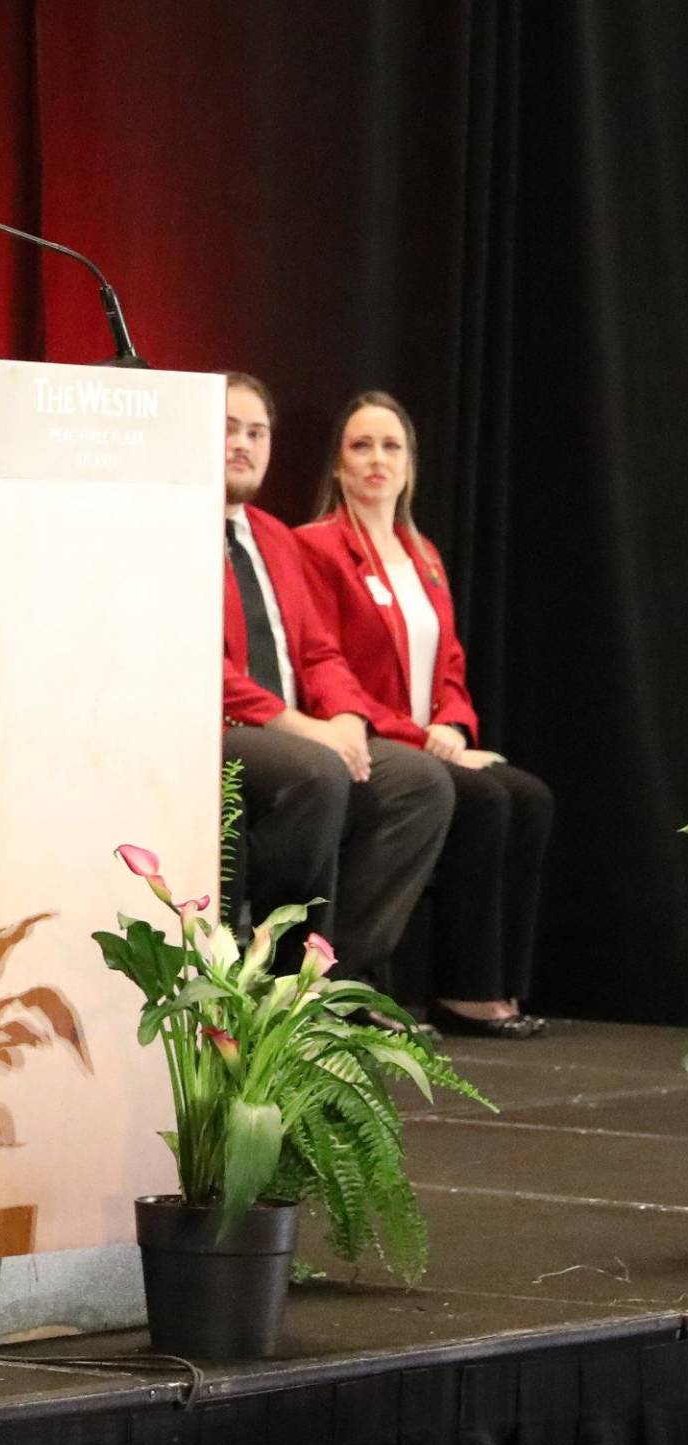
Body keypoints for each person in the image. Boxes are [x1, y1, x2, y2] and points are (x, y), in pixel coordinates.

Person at [296, 392, 554, 1038]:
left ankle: (487, 984)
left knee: (526, 798)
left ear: (410, 465)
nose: (377, 459)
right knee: (483, 800)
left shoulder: (424, 555)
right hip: (370, 742)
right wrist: (422, 738)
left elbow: (450, 662)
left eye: (391, 447)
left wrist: (455, 725)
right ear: (337, 466)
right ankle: (438, 988)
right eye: (361, 446)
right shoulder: (316, 548)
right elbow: (324, 669)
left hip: (430, 741)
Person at [219, 372, 453, 988]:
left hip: (299, 727)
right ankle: (276, 970)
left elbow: (320, 652)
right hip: (221, 726)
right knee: (316, 769)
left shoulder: (272, 536)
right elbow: (193, 660)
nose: (243, 444)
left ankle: (328, 974)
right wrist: (302, 726)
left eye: (256, 432)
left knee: (419, 782)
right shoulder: (171, 527)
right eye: (228, 429)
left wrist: (346, 718)